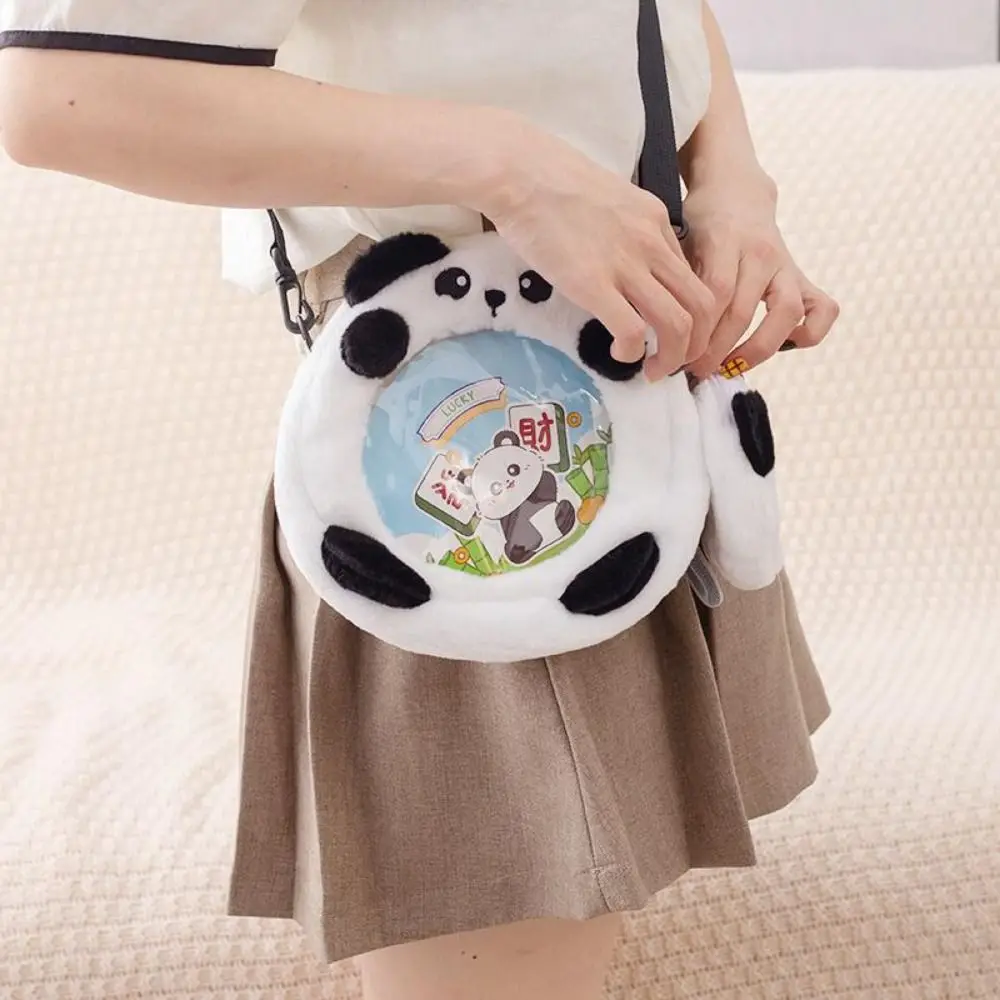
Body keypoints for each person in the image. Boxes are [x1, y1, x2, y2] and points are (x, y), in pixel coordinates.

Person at [0, 3, 839, 998]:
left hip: (634, 400)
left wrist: (731, 181)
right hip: (439, 430)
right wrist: (516, 171)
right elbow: (58, 94)